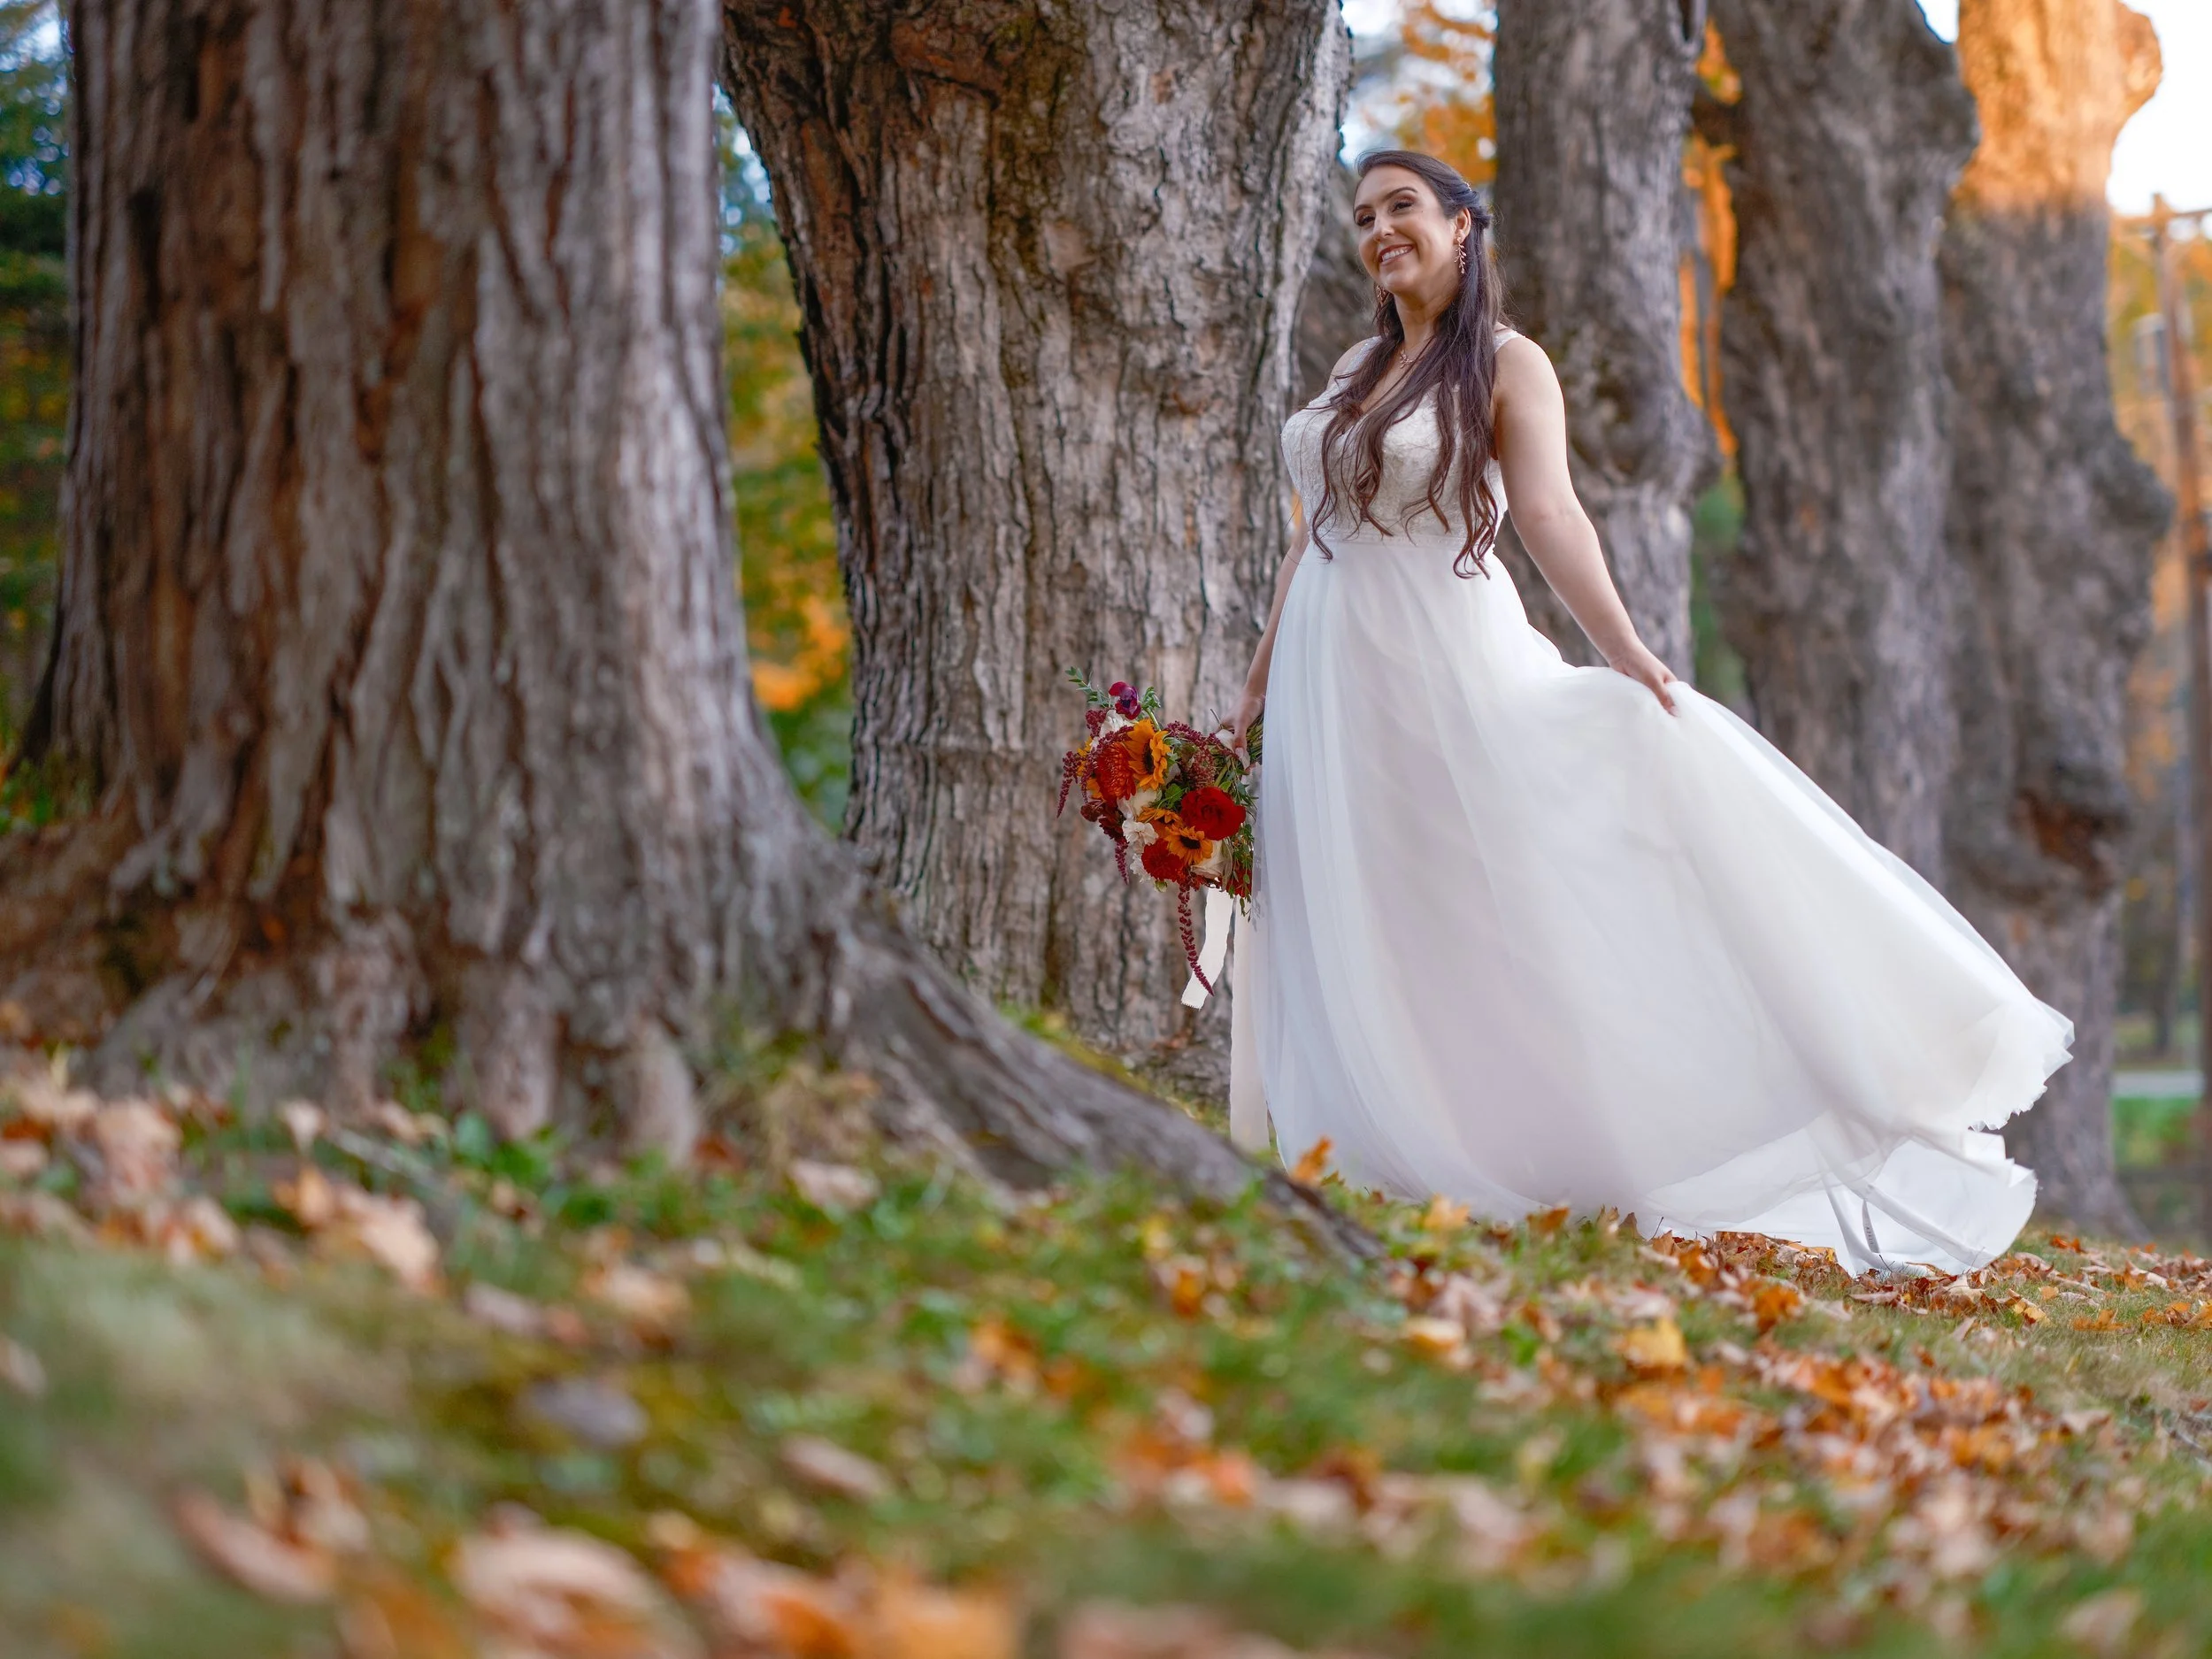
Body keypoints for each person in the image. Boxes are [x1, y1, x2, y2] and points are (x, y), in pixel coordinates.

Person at [1223, 149, 2069, 1275]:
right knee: (1370, 887)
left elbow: (1551, 513)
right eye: (1364, 215)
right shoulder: (1349, 363)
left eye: (1403, 208)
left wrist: (1620, 646)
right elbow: (1311, 526)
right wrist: (1259, 675)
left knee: (1502, 892)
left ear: (1463, 225)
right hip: (1334, 677)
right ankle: (1387, 1135)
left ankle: (1624, 1121)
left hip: (1440, 659)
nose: (1379, 229)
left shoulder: (1510, 366)